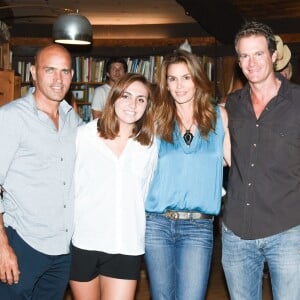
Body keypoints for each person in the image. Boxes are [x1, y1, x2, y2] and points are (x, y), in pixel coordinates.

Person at [222, 21, 300, 300]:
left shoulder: (298, 102)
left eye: (258, 54)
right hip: (236, 234)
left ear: (274, 55)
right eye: (244, 56)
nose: (251, 62)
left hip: (288, 231)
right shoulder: (232, 105)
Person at [144, 49, 231, 300]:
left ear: (197, 79)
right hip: (157, 223)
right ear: (166, 83)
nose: (179, 85)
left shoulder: (219, 117)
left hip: (198, 226)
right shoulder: (155, 118)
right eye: (172, 79)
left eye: (186, 77)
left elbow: (238, 162)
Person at [0, 43, 81, 299]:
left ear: (72, 76)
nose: (58, 79)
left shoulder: (74, 121)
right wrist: (2, 246)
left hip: (63, 249)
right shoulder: (10, 117)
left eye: (65, 71)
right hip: (22, 243)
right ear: (34, 72)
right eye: (50, 70)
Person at [69, 73, 157, 300]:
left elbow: (147, 191)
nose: (132, 104)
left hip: (125, 243)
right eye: (126, 96)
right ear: (114, 98)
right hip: (84, 241)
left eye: (141, 99)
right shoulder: (83, 136)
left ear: (147, 106)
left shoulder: (150, 145)